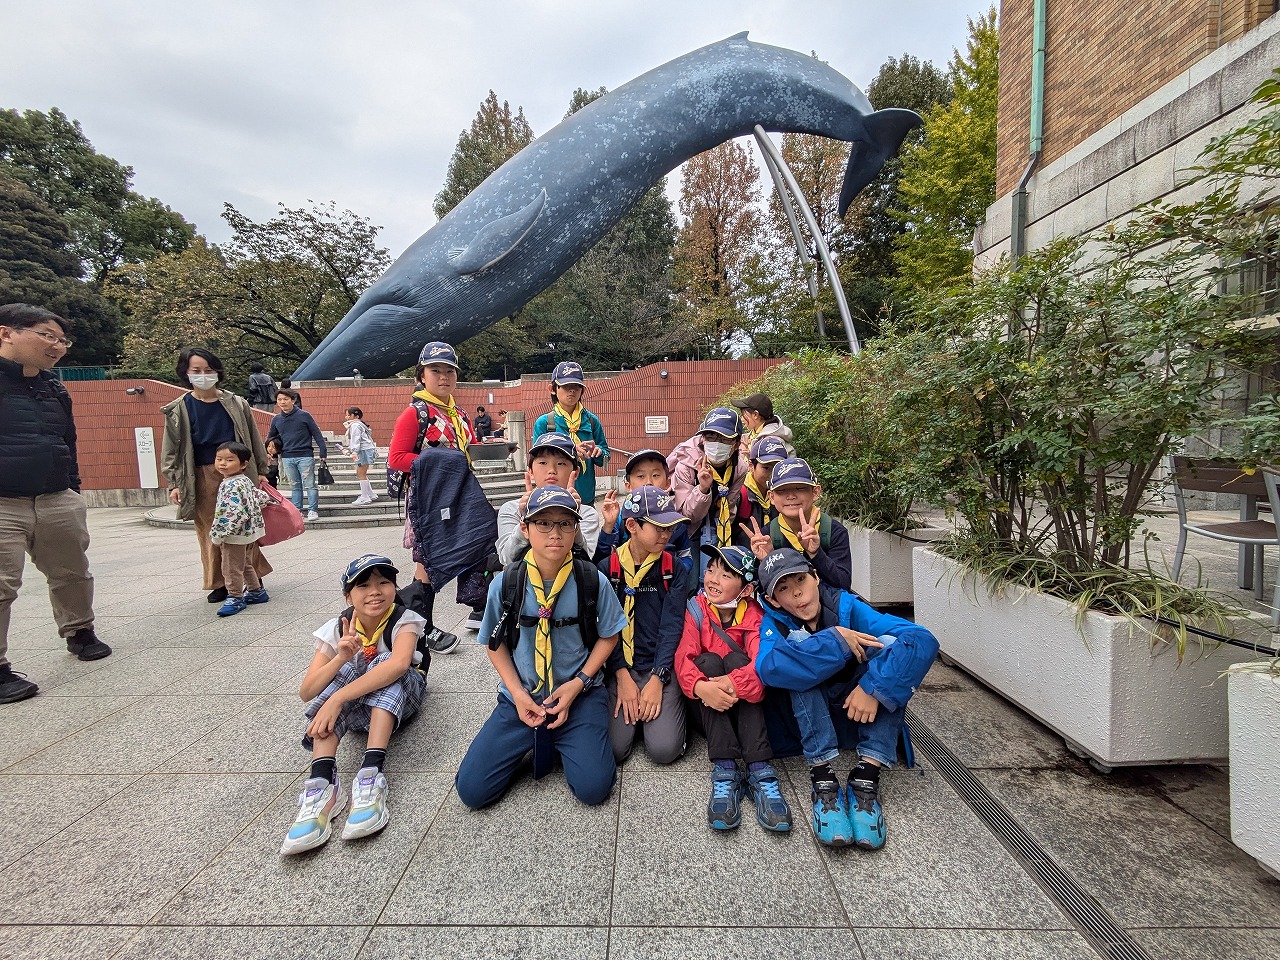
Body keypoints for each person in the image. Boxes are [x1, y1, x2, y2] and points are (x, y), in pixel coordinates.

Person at [455, 486, 627, 809]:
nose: (555, 534)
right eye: (543, 523)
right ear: (525, 528)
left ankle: (563, 740)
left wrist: (579, 684)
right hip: (522, 699)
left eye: (565, 524)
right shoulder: (506, 583)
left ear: (575, 529)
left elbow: (610, 635)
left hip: (579, 696)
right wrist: (518, 695)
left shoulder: (591, 579)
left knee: (594, 788)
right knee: (472, 790)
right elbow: (494, 644)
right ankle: (543, 741)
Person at [755, 548, 938, 849]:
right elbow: (768, 668)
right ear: (773, 600)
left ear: (815, 577)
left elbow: (920, 639)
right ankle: (823, 780)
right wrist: (835, 640)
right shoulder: (774, 622)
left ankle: (866, 778)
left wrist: (873, 688)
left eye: (801, 579)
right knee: (796, 664)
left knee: (889, 650)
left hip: (860, 713)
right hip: (808, 725)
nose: (797, 593)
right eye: (784, 589)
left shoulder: (847, 605)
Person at [0, 304, 110, 704]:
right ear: (6, 333)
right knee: (1, 584)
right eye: (46, 335)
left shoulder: (54, 388)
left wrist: (73, 489)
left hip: (55, 495)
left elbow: (69, 440)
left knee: (72, 572)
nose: (57, 346)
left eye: (62, 340)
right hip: (3, 502)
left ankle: (80, 631)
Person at [282, 554, 427, 855]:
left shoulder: (404, 619)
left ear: (395, 587)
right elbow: (307, 691)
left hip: (402, 698)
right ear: (348, 595)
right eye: (363, 585)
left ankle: (371, 773)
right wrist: (340, 656)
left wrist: (339, 697)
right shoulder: (338, 628)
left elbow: (401, 665)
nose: (375, 591)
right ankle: (322, 782)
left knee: (384, 662)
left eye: (383, 583)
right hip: (361, 704)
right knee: (347, 667)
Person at [675, 545, 790, 832]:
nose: (713, 579)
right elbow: (683, 657)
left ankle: (761, 773)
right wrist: (702, 687)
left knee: (739, 660)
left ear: (746, 588)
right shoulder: (697, 608)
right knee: (709, 662)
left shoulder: (755, 617)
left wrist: (731, 683)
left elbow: (761, 667)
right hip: (705, 706)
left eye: (726, 575)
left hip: (743, 706)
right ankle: (725, 769)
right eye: (711, 569)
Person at [387, 341, 480, 651]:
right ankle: (418, 630)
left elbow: (468, 450)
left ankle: (479, 609)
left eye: (449, 371)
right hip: (429, 500)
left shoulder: (460, 414)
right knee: (426, 564)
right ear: (421, 375)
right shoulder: (415, 414)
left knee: (477, 545)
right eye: (435, 370)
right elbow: (397, 457)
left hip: (460, 496)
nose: (444, 377)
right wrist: (439, 465)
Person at [161, 346, 273, 604]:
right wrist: (174, 483)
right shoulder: (178, 408)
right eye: (196, 371)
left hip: (239, 473)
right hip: (200, 475)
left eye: (208, 370)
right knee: (211, 530)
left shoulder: (236, 403)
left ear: (217, 372)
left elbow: (253, 439)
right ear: (186, 373)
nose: (203, 375)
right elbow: (171, 449)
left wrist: (261, 472)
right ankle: (219, 581)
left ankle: (252, 576)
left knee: (246, 525)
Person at [599, 485, 690, 765]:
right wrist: (620, 675)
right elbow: (604, 629)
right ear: (632, 525)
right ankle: (638, 716)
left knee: (664, 751)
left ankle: (658, 716)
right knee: (614, 751)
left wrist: (658, 677)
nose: (667, 534)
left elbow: (672, 626)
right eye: (659, 527)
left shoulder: (673, 569)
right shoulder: (607, 569)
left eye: (670, 528)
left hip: (657, 666)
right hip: (621, 667)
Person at [741, 457, 851, 592]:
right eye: (781, 490)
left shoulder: (833, 531)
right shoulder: (766, 536)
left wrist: (816, 553)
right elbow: (764, 592)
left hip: (828, 610)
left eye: (800, 488)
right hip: (785, 611)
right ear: (771, 497)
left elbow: (843, 584)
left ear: (815, 492)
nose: (791, 496)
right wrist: (768, 559)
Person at [495, 432, 602, 564]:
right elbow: (506, 558)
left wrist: (573, 515)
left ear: (576, 472)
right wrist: (527, 516)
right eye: (543, 462)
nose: (551, 470)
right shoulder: (511, 509)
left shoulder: (587, 513)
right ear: (530, 471)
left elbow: (586, 558)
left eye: (561, 463)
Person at [667, 407, 747, 582]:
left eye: (723, 438)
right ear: (703, 438)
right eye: (711, 436)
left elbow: (731, 503)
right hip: (688, 530)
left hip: (719, 528)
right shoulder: (686, 465)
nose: (716, 443)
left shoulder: (739, 467)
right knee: (692, 578)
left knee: (720, 577)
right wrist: (703, 489)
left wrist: (722, 531)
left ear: (736, 443)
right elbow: (686, 515)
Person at [596, 449, 694, 577]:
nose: (648, 482)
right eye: (641, 476)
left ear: (667, 483)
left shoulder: (675, 520)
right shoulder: (620, 519)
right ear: (628, 485)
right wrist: (608, 525)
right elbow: (603, 558)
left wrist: (674, 574)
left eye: (656, 475)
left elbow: (685, 555)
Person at [207, 441, 272, 618]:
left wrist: (219, 534)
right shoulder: (244, 480)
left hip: (234, 534)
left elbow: (229, 513)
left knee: (230, 566)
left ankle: (235, 596)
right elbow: (261, 497)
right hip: (249, 532)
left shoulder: (229, 485)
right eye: (219, 459)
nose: (222, 463)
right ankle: (256, 591)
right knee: (244, 563)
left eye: (229, 460)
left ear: (243, 464)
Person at [533, 360, 609, 506]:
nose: (572, 390)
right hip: (553, 498)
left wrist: (599, 452)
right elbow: (537, 461)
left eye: (577, 386)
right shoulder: (544, 423)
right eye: (566, 386)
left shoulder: (592, 421)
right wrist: (571, 449)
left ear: (583, 390)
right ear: (552, 389)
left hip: (586, 498)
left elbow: (605, 457)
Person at [267, 389, 327, 523]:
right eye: (280, 400)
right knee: (294, 486)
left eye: (286, 399)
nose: (282, 402)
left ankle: (313, 510)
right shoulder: (276, 419)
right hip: (287, 457)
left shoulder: (304, 415)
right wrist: (268, 451)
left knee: (310, 484)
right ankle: (297, 510)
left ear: (293, 400)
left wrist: (323, 452)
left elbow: (316, 433)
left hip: (305, 455)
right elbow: (270, 436)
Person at [738, 435, 789, 534]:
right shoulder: (739, 495)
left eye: (778, 468)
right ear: (751, 466)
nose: (772, 474)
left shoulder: (786, 495)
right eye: (766, 468)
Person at [733, 392, 795, 457]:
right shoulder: (754, 435)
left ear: (755, 414)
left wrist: (752, 458)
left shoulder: (772, 442)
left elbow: (772, 466)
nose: (741, 418)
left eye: (743, 414)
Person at [343, 407, 379, 505]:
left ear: (356, 416)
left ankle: (365, 497)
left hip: (362, 451)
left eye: (348, 415)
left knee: (361, 473)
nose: (346, 417)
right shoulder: (360, 424)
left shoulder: (355, 425)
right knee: (361, 473)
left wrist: (354, 451)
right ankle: (370, 494)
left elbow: (356, 439)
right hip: (365, 450)